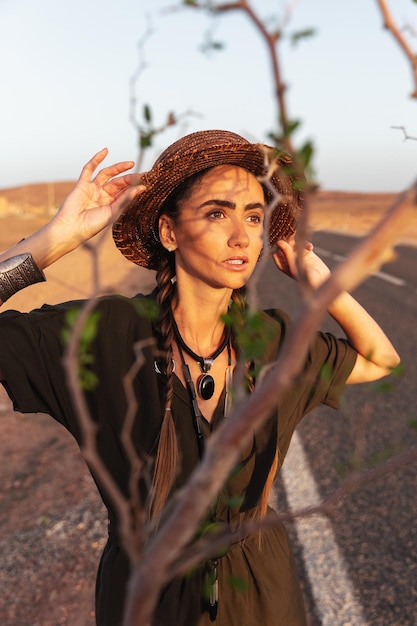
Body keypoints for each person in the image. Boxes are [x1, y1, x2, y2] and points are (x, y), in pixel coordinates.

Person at [0, 130, 400, 626]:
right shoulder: (104, 333)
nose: (242, 236)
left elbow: (382, 360)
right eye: (217, 213)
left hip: (264, 598)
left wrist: (320, 279)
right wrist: (55, 240)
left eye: (254, 217)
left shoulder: (270, 340)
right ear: (169, 233)